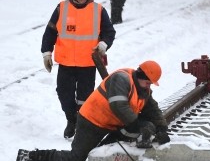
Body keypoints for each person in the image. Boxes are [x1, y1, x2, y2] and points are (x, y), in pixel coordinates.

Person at [18, 61, 170, 161]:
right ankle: (32, 156)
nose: (149, 87)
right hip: (92, 121)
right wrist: (138, 125)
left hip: (112, 124)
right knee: (76, 158)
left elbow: (152, 108)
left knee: (101, 154)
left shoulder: (143, 89)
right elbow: (120, 107)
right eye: (148, 83)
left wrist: (162, 128)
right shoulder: (122, 79)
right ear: (140, 76)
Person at [40, 0, 116, 139]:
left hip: (88, 64)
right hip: (66, 63)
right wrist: (47, 52)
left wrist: (103, 44)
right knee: (64, 94)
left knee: (84, 98)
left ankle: (80, 125)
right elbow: (50, 32)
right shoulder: (62, 8)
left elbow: (109, 32)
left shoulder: (98, 10)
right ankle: (71, 120)